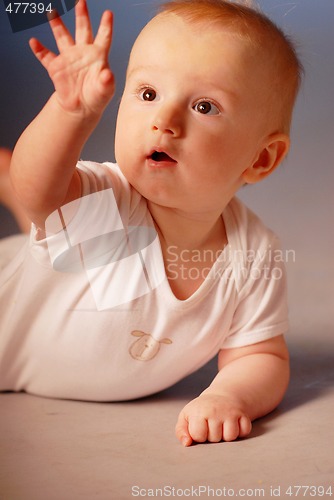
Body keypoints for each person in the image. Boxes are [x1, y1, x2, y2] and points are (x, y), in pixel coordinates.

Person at [0, 0, 303, 446]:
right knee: (42, 213)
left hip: (78, 258)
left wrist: (229, 396)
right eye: (148, 94)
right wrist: (71, 113)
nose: (164, 121)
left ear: (261, 158)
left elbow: (261, 356)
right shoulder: (110, 198)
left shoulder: (253, 253)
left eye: (204, 106)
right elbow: (38, 192)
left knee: (65, 242)